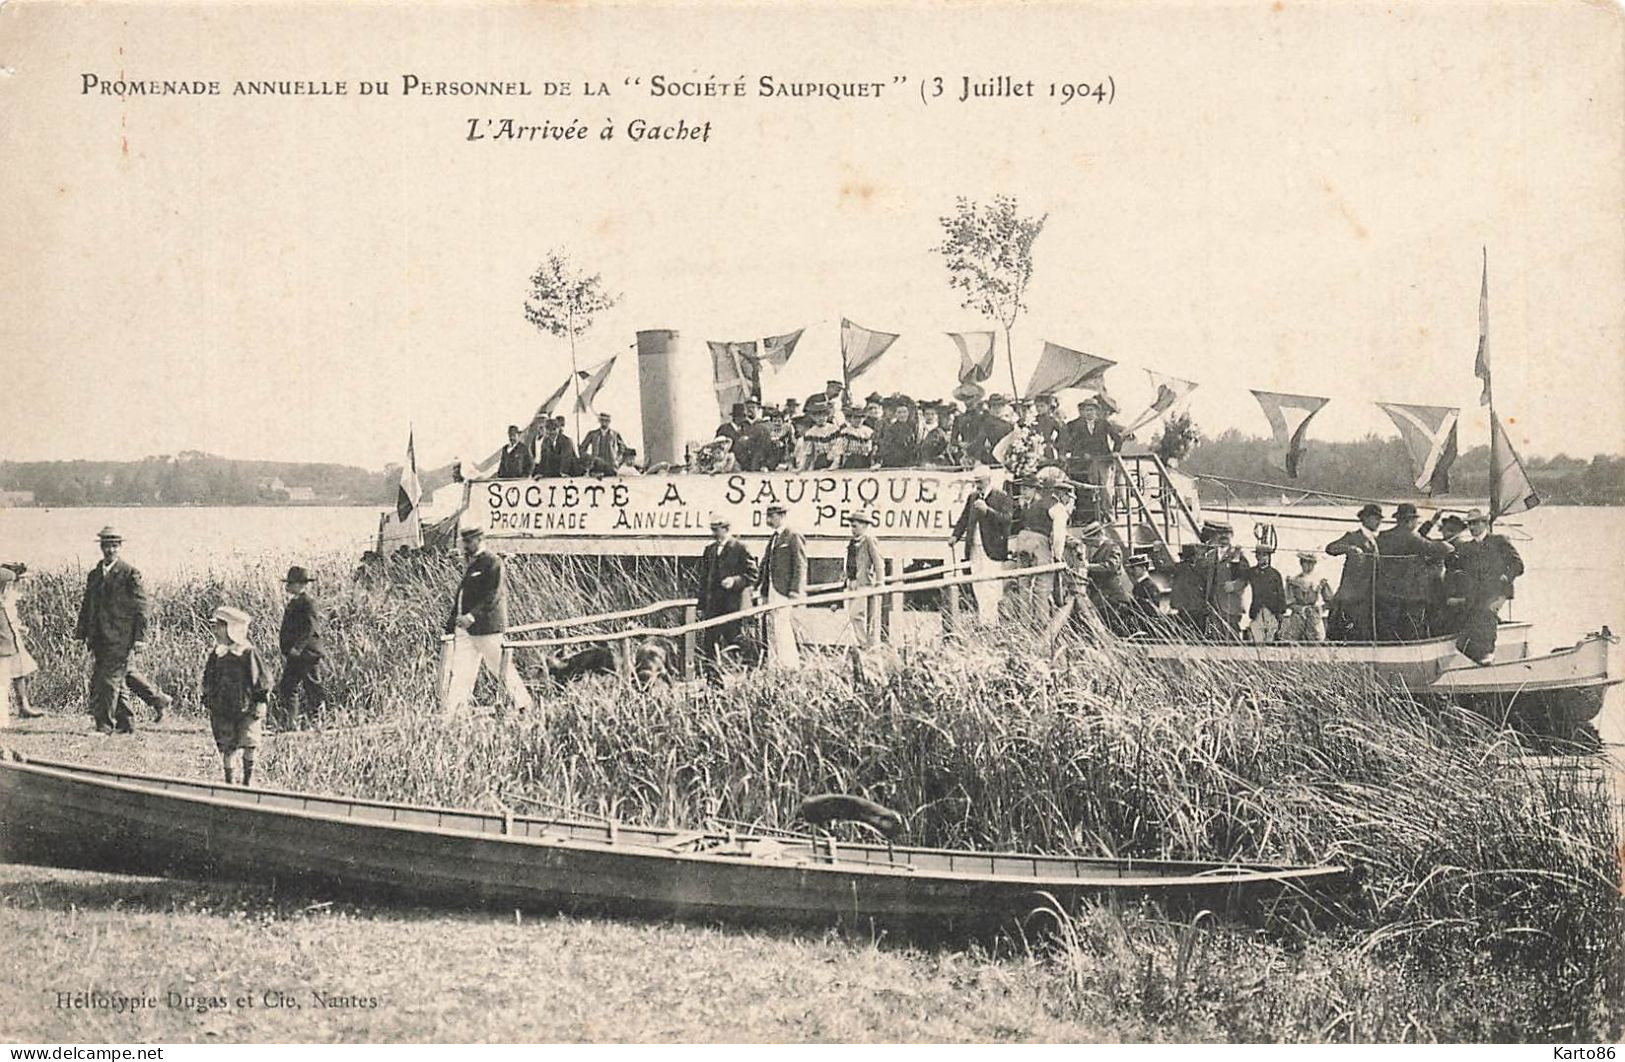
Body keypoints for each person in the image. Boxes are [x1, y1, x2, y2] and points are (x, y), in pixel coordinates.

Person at [75, 526, 172, 734]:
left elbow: (141, 608)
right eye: (106, 545)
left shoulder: (130, 574)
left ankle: (104, 726)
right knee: (124, 675)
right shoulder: (94, 574)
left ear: (119, 547)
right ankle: (137, 716)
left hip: (121, 637)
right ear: (101, 547)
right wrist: (81, 632)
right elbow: (87, 604)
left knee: (107, 680)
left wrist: (140, 638)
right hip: (99, 637)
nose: (110, 550)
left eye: (114, 545)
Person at [442, 527, 535, 714]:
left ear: (479, 539)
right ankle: (455, 711)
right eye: (464, 541)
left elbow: (493, 595)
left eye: (469, 541)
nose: (465, 545)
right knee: (461, 670)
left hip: (486, 628)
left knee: (500, 666)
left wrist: (472, 616)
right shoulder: (473, 564)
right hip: (465, 630)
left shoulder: (492, 562)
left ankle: (524, 703)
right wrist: (451, 624)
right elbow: (462, 596)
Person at [201, 605, 270, 786]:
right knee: (227, 746)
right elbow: (209, 678)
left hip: (247, 706)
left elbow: (260, 679)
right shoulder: (218, 653)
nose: (216, 631)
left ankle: (247, 780)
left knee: (249, 741)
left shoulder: (247, 652)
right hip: (222, 707)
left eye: (220, 627)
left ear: (232, 628)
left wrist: (260, 701)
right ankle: (229, 782)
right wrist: (208, 697)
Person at [1455, 509, 1524, 664]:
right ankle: (1478, 657)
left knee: (1488, 611)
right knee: (1462, 637)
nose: (1472, 527)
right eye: (1469, 524)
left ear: (1484, 523)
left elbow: (1518, 565)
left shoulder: (1499, 541)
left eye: (1475, 523)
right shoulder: (1467, 548)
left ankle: (1488, 653)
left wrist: (1506, 576)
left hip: (1499, 591)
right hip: (1478, 594)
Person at [696, 516, 758, 685]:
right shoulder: (709, 550)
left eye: (717, 530)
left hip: (731, 605)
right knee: (709, 642)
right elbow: (704, 579)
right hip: (712, 606)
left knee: (735, 640)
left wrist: (735, 581)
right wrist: (701, 605)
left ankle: (749, 673)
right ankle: (714, 681)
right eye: (712, 530)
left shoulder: (739, 548)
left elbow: (753, 574)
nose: (714, 534)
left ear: (726, 528)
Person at [949, 466, 1014, 624]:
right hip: (974, 546)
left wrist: (988, 511)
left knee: (991, 583)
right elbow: (964, 519)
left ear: (988, 480)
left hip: (992, 547)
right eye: (976, 482)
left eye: (981, 481)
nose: (978, 485)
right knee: (977, 582)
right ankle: (983, 619)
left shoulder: (1001, 497)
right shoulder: (973, 497)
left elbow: (1007, 520)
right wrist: (955, 536)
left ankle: (991, 621)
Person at [276, 565, 327, 728]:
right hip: (295, 655)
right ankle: (291, 724)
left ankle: (318, 722)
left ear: (300, 584)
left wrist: (297, 648)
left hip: (307, 654)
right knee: (287, 687)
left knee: (312, 687)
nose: (288, 586)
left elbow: (311, 629)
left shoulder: (308, 603)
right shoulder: (294, 603)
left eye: (291, 583)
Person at [757, 503, 807, 669]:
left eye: (771, 516)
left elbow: (800, 564)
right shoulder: (774, 538)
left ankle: (789, 664)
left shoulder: (793, 536)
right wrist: (759, 586)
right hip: (771, 588)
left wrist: (795, 590)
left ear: (781, 516)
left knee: (783, 625)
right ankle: (774, 662)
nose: (769, 520)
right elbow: (765, 563)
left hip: (784, 589)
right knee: (772, 625)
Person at [1325, 503, 1384, 640]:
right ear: (1365, 518)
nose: (1379, 522)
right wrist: (1350, 548)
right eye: (1376, 518)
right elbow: (1330, 548)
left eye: (1380, 518)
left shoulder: (1378, 540)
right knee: (1347, 628)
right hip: (1351, 596)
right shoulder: (1353, 537)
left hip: (1370, 596)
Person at [0, 565, 43, 723]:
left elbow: (11, 618)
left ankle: (23, 705)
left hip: (11, 636)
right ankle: (16, 708)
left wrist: (19, 627)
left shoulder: (10, 594)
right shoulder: (6, 595)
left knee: (19, 670)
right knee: (8, 674)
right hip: (6, 638)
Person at [1077, 520, 1134, 634]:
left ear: (1098, 535)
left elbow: (1111, 566)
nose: (1089, 544)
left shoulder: (1112, 547)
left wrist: (1089, 567)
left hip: (1113, 597)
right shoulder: (1099, 549)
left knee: (1116, 628)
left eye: (1090, 540)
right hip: (1102, 597)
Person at [1197, 521, 1250, 638]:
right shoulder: (1210, 555)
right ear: (1215, 536)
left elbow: (1245, 577)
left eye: (1227, 534)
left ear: (1232, 536)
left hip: (1230, 605)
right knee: (1214, 636)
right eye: (1221, 534)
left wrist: (1235, 585)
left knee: (1231, 635)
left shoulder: (1238, 555)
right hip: (1212, 604)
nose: (1224, 537)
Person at [844, 511, 885, 647]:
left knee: (858, 615)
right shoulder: (852, 542)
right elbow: (849, 563)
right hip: (852, 583)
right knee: (852, 616)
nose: (852, 529)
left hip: (864, 583)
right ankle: (860, 643)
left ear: (864, 526)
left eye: (855, 526)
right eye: (851, 526)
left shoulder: (868, 540)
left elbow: (878, 562)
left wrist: (880, 582)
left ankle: (864, 645)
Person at [1281, 551, 1334, 642]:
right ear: (1301, 563)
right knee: (1289, 639)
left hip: (1314, 615)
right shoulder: (1294, 581)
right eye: (1306, 562)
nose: (1309, 566)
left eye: (1311, 563)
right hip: (1298, 615)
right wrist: (1300, 609)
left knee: (1318, 639)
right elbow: (1288, 600)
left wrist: (1321, 609)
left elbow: (1330, 600)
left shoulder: (1320, 580)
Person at [1246, 547, 1287, 643]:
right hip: (1256, 610)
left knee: (1270, 637)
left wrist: (1281, 612)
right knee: (1256, 637)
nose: (1261, 557)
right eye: (1259, 555)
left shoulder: (1275, 574)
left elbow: (1280, 594)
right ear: (1256, 556)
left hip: (1271, 611)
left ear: (1269, 557)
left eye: (1264, 555)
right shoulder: (1251, 572)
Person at [1168, 543, 1207, 635]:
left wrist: (1156, 552)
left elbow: (1162, 567)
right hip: (1198, 606)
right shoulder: (1200, 568)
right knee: (1200, 633)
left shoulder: (1179, 568)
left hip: (1184, 607)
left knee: (1184, 633)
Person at [795, 397, 844, 470]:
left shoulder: (834, 430)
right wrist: (801, 469)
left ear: (827, 415)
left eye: (823, 415)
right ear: (813, 417)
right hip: (818, 464)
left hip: (834, 464)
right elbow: (808, 455)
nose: (821, 418)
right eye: (817, 415)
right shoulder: (810, 433)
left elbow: (838, 453)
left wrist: (831, 468)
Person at [875, 396, 920, 468]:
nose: (902, 415)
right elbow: (885, 448)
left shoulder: (913, 427)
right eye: (899, 412)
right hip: (895, 464)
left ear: (908, 413)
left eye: (904, 412)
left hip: (911, 464)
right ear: (896, 414)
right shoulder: (891, 429)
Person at [1126, 554, 1164, 632]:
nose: (1131, 571)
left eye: (1134, 568)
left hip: (1148, 626)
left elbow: (1152, 609)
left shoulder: (1150, 586)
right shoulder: (1139, 585)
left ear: (1143, 568)